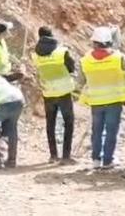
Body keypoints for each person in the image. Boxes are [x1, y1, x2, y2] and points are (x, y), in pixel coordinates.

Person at [79, 26, 125, 170]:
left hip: (96, 101)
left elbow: (80, 80)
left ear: (94, 42)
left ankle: (95, 160)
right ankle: (108, 160)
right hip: (114, 100)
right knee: (111, 131)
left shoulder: (86, 59)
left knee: (96, 130)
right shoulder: (119, 58)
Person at [31, 27, 76, 164]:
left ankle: (53, 155)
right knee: (68, 123)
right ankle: (66, 156)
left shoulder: (35, 54)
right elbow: (71, 68)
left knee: (50, 123)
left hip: (48, 92)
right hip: (63, 92)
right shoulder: (61, 52)